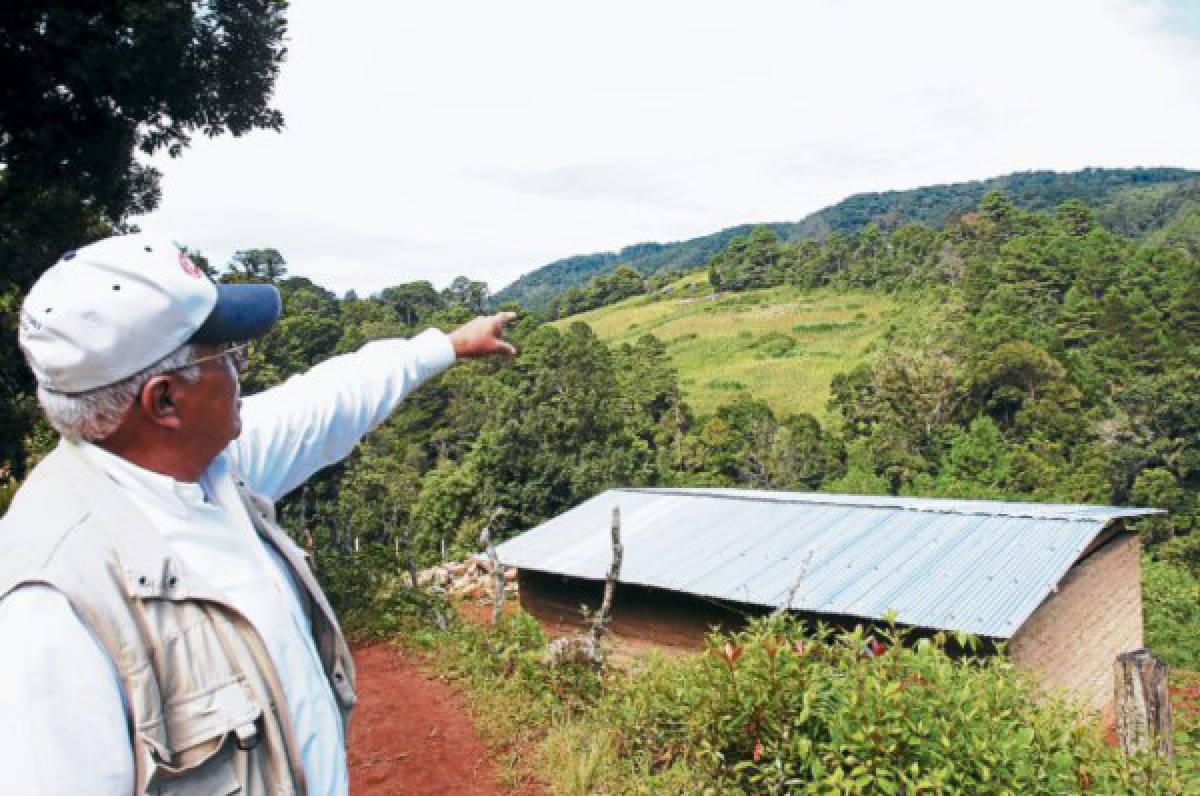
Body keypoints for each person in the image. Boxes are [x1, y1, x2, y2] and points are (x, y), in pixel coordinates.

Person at [0, 233, 517, 794]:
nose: (242, 376)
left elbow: (328, 400)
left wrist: (446, 345)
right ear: (165, 401)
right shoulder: (51, 611)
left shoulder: (208, 468)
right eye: (230, 358)